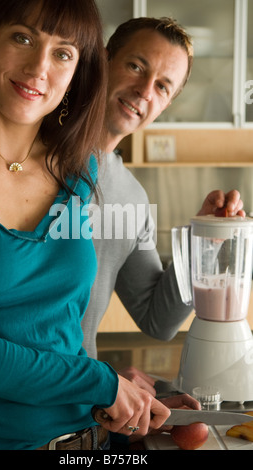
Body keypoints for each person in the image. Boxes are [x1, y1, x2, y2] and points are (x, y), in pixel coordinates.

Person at [0, 1, 195, 450]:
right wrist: (97, 381)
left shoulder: (77, 172)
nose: (39, 67)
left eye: (63, 52)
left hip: (82, 438)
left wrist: (120, 393)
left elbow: (66, 327)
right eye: (22, 37)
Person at [81, 17, 245, 393]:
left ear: (166, 104)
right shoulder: (28, 158)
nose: (143, 91)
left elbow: (158, 319)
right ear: (103, 61)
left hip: (77, 407)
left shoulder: (132, 198)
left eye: (162, 86)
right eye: (135, 66)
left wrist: (205, 235)